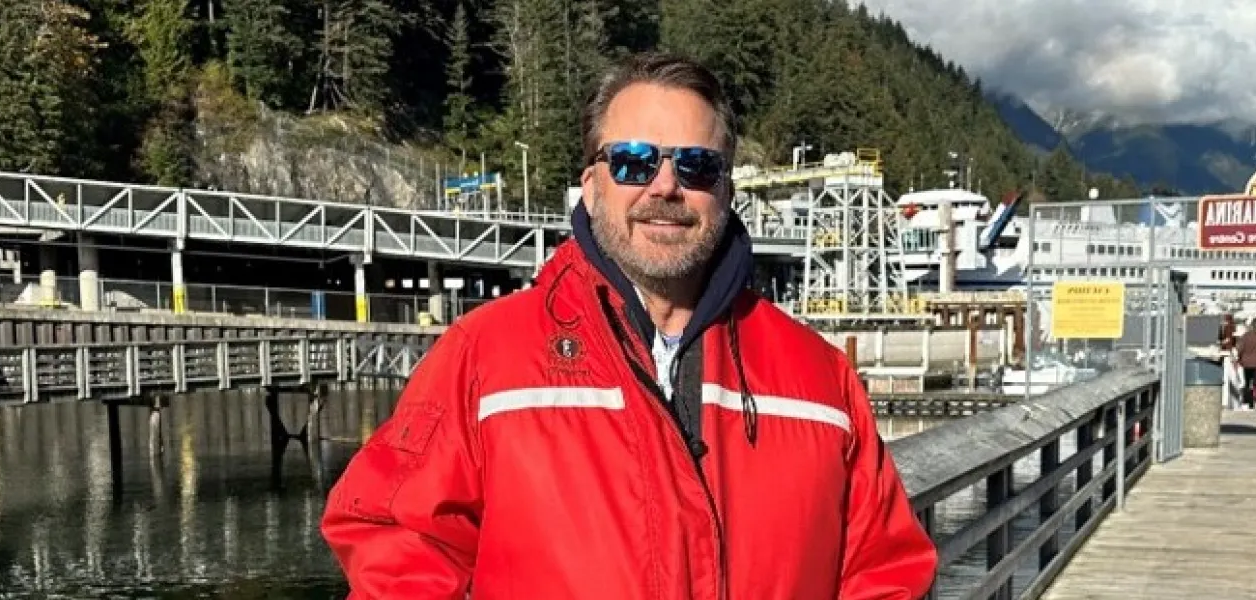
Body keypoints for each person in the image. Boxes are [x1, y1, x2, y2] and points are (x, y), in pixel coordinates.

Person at [319, 52, 938, 599]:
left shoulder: (820, 378)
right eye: (633, 162)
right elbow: (398, 542)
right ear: (590, 186)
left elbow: (884, 569)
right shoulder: (484, 357)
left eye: (696, 165)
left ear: (726, 189)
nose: (665, 186)